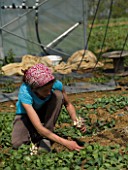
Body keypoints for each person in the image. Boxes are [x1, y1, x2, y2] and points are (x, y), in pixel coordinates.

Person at [11, 63, 86, 152]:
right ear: (34, 89)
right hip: (26, 115)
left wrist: (76, 120)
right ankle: (34, 133)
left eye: (50, 89)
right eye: (45, 90)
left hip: (45, 111)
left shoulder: (55, 84)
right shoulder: (25, 92)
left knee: (58, 95)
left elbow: (68, 104)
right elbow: (39, 127)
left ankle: (46, 135)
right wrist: (66, 143)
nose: (49, 92)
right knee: (17, 144)